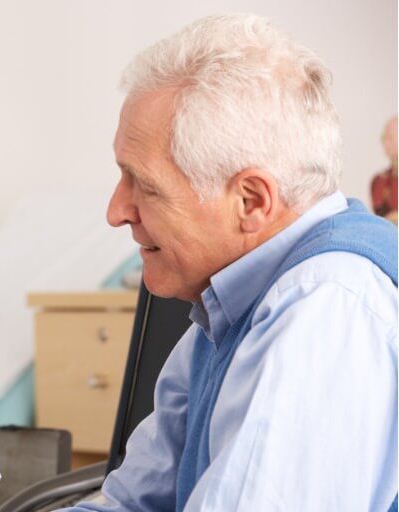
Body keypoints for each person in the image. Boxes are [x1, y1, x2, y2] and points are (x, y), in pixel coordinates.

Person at [66, 14, 397, 511]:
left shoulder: (324, 306)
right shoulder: (223, 310)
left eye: (145, 185)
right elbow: (132, 505)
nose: (116, 211)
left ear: (250, 201)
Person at [370, 116, 398, 222]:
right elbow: (382, 221)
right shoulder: (379, 182)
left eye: (389, 137)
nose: (384, 142)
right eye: (384, 137)